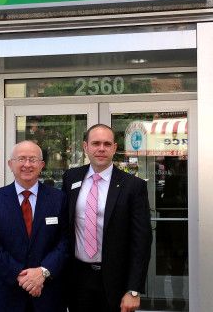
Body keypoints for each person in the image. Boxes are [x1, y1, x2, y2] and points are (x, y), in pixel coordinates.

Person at [62, 124, 152, 312]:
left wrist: (133, 290)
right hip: (77, 277)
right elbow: (64, 228)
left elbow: (141, 241)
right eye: (95, 143)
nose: (101, 148)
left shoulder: (132, 186)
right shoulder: (71, 178)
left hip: (116, 280)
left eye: (106, 144)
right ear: (85, 147)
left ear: (114, 148)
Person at [0, 140, 68, 312]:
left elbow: (64, 242)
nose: (27, 164)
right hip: (4, 295)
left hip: (47, 295)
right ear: (10, 164)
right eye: (21, 159)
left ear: (41, 165)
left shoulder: (58, 199)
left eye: (33, 159)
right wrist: (22, 277)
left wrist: (42, 272)